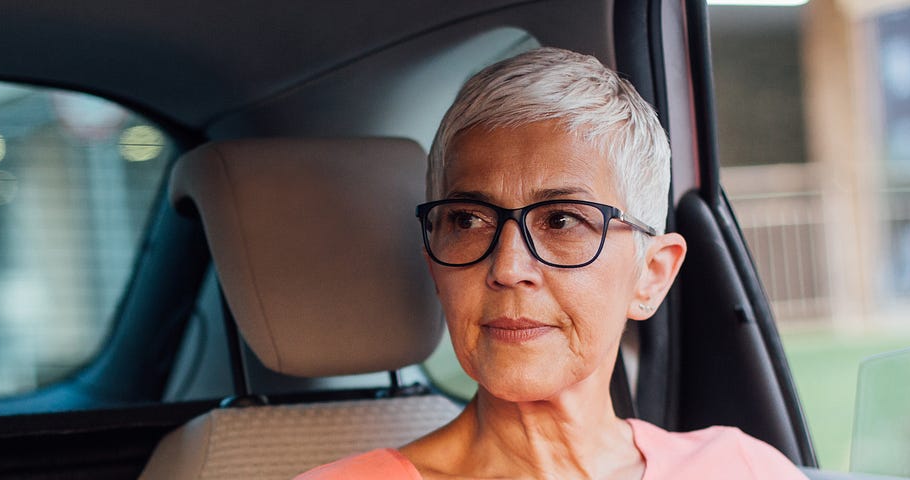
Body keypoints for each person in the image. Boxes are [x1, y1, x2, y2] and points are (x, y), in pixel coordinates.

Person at [297, 47, 807, 479]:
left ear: (651, 275)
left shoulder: (741, 468)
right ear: (435, 265)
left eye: (562, 221)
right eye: (468, 221)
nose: (507, 266)